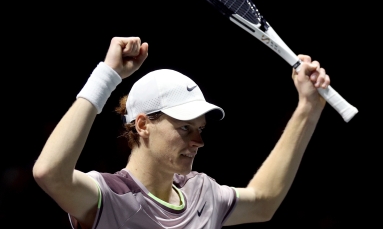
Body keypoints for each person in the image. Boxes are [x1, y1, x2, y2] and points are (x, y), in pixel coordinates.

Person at [33, 36, 331, 228]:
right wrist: (106, 78)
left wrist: (308, 108)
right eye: (185, 127)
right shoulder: (109, 197)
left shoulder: (202, 193)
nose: (199, 141)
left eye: (200, 129)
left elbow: (264, 201)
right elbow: (50, 173)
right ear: (142, 125)